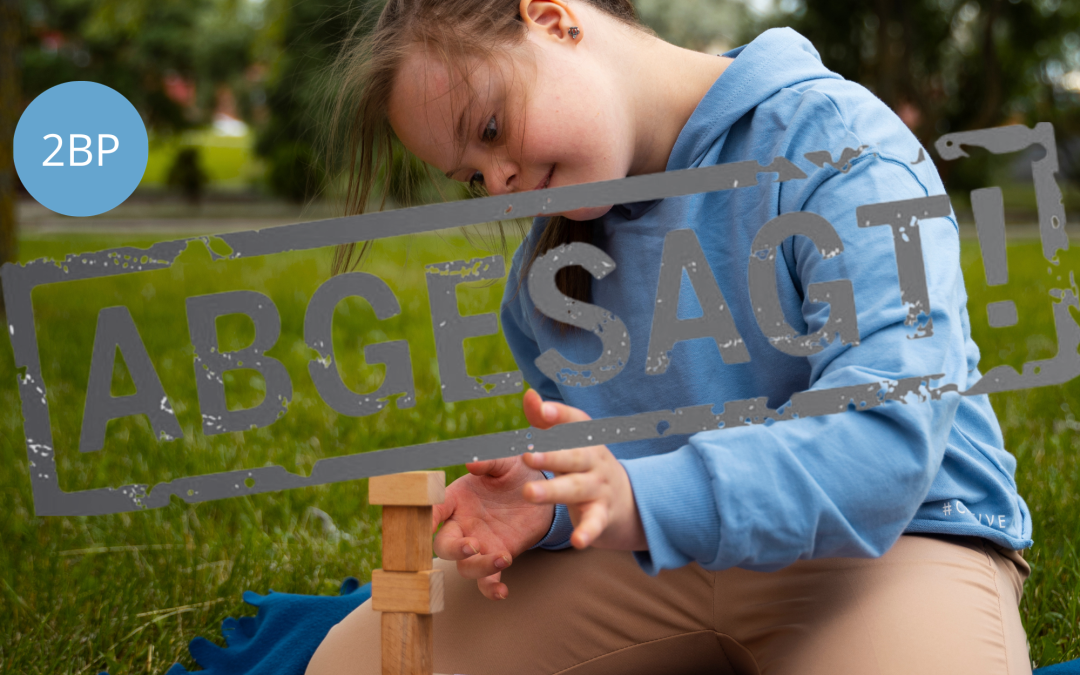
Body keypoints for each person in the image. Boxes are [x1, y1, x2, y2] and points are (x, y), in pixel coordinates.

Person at [307, 1, 1034, 673]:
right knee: (350, 664)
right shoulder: (550, 271)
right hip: (661, 557)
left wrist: (634, 495)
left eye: (492, 128)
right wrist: (552, 501)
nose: (501, 182)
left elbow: (885, 443)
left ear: (555, 19)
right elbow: (618, 470)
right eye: (471, 177)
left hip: (896, 542)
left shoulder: (839, 144)